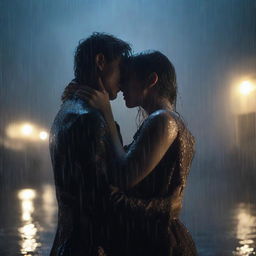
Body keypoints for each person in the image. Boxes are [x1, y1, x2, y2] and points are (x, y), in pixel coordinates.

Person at [50, 33, 183, 256]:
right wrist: (164, 208)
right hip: (92, 247)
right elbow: (103, 201)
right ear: (101, 62)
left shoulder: (68, 111)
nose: (122, 81)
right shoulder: (90, 119)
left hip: (73, 243)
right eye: (120, 68)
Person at [75, 51, 197, 255]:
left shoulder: (163, 120)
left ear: (151, 80)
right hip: (157, 236)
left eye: (127, 78)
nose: (121, 86)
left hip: (160, 243)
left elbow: (124, 176)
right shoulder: (163, 120)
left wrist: (106, 111)